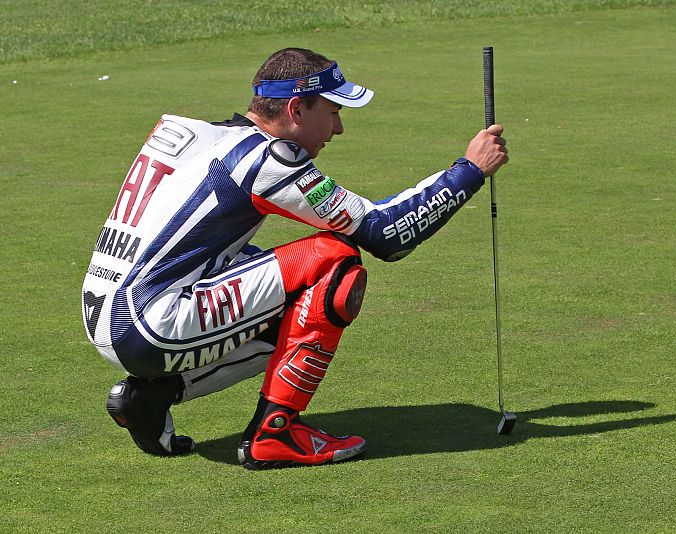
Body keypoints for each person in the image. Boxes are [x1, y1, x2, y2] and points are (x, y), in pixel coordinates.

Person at [81, 47, 508, 469]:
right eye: (333, 111)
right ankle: (275, 434)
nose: (338, 128)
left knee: (290, 291)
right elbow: (386, 233)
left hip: (106, 313)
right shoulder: (266, 159)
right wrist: (469, 170)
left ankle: (152, 397)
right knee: (333, 261)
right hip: (150, 325)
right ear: (296, 110)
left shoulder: (201, 133)